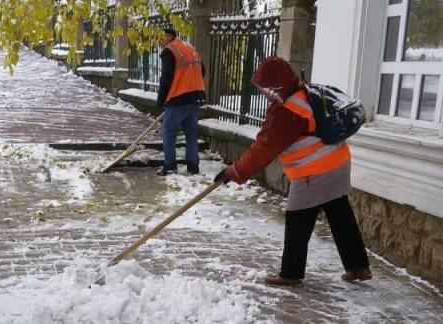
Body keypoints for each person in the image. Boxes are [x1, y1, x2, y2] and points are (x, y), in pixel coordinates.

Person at [214, 57, 371, 286]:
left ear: (277, 85)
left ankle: (291, 273)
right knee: (340, 214)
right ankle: (358, 267)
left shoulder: (288, 111)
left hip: (315, 170)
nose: (265, 94)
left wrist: (235, 171)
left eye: (267, 89)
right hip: (338, 162)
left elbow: (264, 148)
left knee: (298, 218)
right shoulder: (302, 93)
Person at [156, 28, 206, 176]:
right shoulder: (189, 48)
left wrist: (160, 101)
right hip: (196, 96)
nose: (159, 41)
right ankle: (193, 166)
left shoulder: (170, 51)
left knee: (169, 132)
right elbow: (202, 70)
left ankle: (170, 166)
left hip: (178, 97)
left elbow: (166, 79)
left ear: (169, 37)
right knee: (191, 133)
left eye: (161, 37)